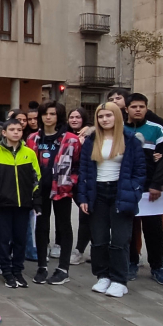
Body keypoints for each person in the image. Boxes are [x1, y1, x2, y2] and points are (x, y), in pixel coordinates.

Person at [77, 103, 147, 298]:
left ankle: (119, 280)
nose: (105, 119)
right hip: (97, 192)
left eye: (108, 115)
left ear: (117, 117)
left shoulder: (130, 140)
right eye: (101, 117)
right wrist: (82, 196)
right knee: (98, 239)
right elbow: (83, 170)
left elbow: (140, 171)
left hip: (120, 192)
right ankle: (103, 275)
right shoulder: (92, 140)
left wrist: (134, 193)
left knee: (119, 240)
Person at [25, 101, 81, 285]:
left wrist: (70, 182)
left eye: (52, 114)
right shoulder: (33, 139)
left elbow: (78, 166)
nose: (48, 117)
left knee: (63, 225)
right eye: (45, 114)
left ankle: (63, 268)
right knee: (41, 227)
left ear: (59, 116)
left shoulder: (71, 139)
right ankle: (42, 266)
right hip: (39, 190)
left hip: (61, 190)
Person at [0, 118, 40, 288]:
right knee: (3, 240)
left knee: (20, 239)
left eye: (19, 129)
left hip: (23, 204)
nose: (16, 132)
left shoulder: (29, 153)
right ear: (4, 132)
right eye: (12, 129)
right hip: (3, 205)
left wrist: (35, 199)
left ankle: (18, 271)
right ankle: (7, 272)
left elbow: (36, 178)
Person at [124, 93, 163, 284]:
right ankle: (131, 263)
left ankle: (158, 267)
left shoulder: (157, 129)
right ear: (126, 108)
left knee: (154, 230)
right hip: (128, 188)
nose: (138, 110)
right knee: (129, 228)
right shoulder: (119, 129)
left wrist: (156, 184)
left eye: (142, 106)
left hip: (150, 189)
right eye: (134, 106)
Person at [67, 106, 92, 265]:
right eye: (72, 117)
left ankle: (81, 250)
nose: (74, 120)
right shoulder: (65, 135)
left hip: (87, 181)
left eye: (78, 117)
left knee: (88, 215)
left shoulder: (91, 134)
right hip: (70, 181)